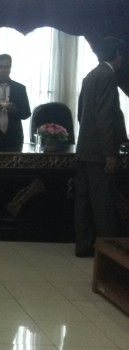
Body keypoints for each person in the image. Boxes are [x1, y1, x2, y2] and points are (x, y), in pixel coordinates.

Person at [74, 37, 126, 257]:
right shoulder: (107, 76)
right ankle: (108, 252)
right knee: (103, 203)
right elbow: (106, 117)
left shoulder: (91, 75)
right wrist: (110, 152)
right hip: (99, 153)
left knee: (84, 201)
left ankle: (83, 246)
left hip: (85, 149)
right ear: (118, 55)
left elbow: (81, 114)